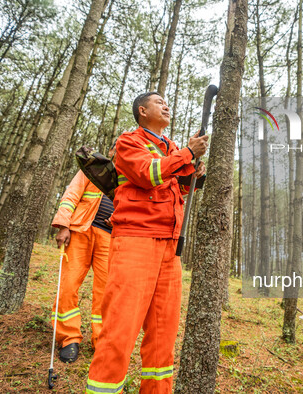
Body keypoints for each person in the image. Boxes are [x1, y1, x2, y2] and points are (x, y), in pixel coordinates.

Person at [86, 92, 207, 394]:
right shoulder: (129, 142)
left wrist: (194, 171)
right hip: (135, 242)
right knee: (120, 328)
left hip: (170, 247)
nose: (167, 106)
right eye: (159, 102)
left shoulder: (172, 149)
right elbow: (147, 174)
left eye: (168, 103)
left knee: (164, 334)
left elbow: (179, 187)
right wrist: (187, 155)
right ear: (142, 111)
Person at [51, 146, 115, 363]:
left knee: (107, 293)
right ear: (112, 150)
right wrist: (63, 225)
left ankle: (102, 340)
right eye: (119, 146)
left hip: (110, 239)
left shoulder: (130, 177)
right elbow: (71, 194)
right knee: (68, 285)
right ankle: (69, 338)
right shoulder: (93, 168)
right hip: (80, 231)